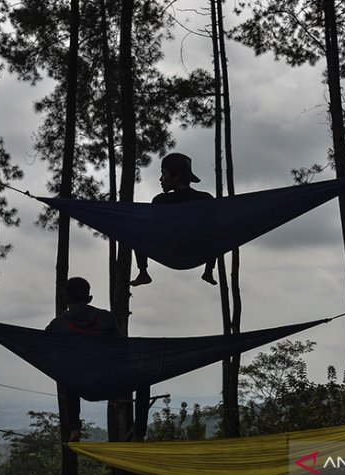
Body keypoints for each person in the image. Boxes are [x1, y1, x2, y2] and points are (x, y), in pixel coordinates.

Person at [46, 277, 150, 442]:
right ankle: (139, 434)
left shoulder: (58, 325)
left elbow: (43, 348)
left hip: (79, 383)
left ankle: (74, 428)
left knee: (68, 373)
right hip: (110, 381)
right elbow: (122, 349)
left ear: (64, 299)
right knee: (144, 378)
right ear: (89, 299)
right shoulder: (106, 318)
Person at [130, 152, 218, 287]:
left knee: (137, 226)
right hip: (197, 250)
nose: (160, 179)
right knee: (219, 227)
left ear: (176, 175)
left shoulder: (161, 201)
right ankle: (209, 270)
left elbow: (150, 230)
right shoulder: (205, 199)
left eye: (164, 173)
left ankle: (143, 272)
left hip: (168, 248)